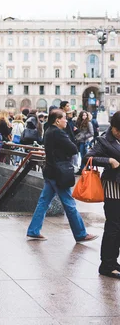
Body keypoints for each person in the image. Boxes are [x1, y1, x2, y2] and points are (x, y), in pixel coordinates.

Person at [26, 109, 98, 243]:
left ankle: (33, 230)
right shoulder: (58, 133)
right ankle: (81, 233)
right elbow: (73, 149)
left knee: (43, 202)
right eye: (64, 118)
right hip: (59, 173)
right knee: (70, 204)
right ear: (57, 120)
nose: (66, 120)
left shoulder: (48, 131)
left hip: (50, 171)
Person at [84, 111, 120, 279]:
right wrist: (109, 161)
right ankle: (107, 264)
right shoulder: (104, 141)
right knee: (113, 226)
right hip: (113, 187)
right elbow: (88, 157)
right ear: (113, 128)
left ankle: (113, 261)